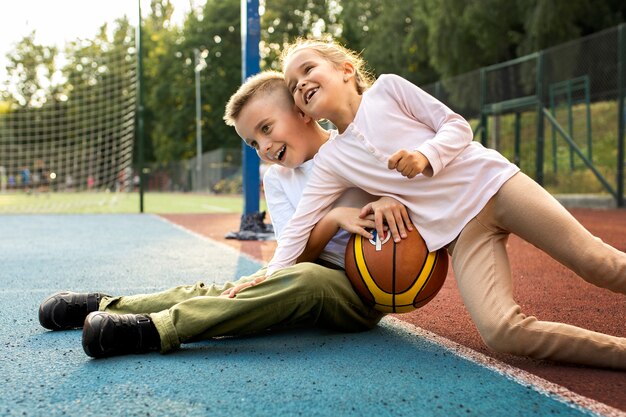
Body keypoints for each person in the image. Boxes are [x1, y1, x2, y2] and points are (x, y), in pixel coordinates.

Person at [259, 39, 626, 370]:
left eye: (308, 70)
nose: (301, 83)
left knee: (597, 263)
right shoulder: (332, 161)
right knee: (502, 332)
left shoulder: (388, 89)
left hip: (495, 186)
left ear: (346, 70)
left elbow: (456, 126)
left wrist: (425, 155)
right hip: (462, 234)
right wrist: (266, 277)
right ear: (301, 108)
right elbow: (299, 226)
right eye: (293, 85)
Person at [38, 71, 408, 359]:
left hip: (363, 288)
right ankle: (109, 305)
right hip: (298, 267)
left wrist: (392, 198)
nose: (263, 146)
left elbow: (409, 188)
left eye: (266, 128)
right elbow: (295, 255)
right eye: (252, 142)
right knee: (223, 290)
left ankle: (158, 329)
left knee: (306, 281)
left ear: (301, 111)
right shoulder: (278, 179)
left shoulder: (353, 147)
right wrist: (332, 220)